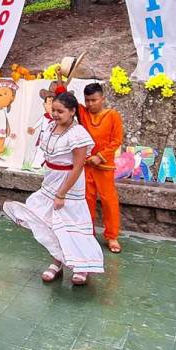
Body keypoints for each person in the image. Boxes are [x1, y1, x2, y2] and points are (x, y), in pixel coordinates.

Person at [3, 92, 104, 286]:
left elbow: (78, 166)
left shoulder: (78, 134)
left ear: (73, 111)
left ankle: (81, 267)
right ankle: (57, 262)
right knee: (51, 224)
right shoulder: (51, 126)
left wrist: (62, 193)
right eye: (54, 110)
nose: (56, 114)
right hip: (51, 181)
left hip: (69, 184)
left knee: (71, 226)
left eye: (61, 111)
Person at [78, 83, 125, 254]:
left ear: (102, 99)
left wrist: (101, 156)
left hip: (104, 166)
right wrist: (62, 77)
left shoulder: (113, 116)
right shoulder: (82, 113)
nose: (90, 104)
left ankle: (112, 236)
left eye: (94, 100)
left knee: (109, 201)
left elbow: (116, 140)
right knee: (86, 200)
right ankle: (87, 233)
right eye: (87, 100)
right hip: (86, 165)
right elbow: (63, 96)